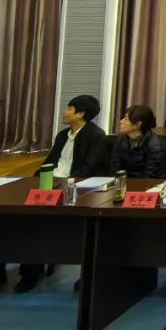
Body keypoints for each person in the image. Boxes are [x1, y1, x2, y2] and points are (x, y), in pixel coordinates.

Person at [16, 94, 109, 293]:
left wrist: (62, 186)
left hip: (76, 189)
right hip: (51, 184)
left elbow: (87, 169)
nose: (64, 113)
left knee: (44, 220)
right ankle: (30, 271)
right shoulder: (63, 135)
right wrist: (34, 180)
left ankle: (37, 268)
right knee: (26, 217)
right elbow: (49, 162)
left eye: (69, 109)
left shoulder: (97, 136)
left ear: (80, 114)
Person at [110, 104, 166, 178]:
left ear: (138, 124)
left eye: (126, 119)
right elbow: (115, 169)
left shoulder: (155, 146)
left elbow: (150, 177)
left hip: (144, 183)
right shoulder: (121, 139)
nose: (120, 121)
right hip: (123, 182)